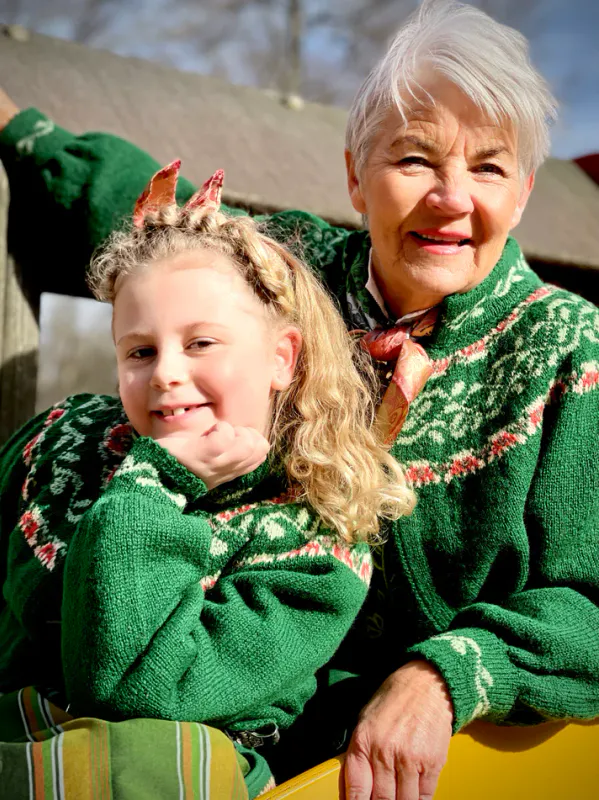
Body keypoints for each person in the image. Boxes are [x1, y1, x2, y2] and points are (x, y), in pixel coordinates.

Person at [1, 0, 598, 798]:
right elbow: (159, 240)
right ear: (356, 173)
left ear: (522, 192)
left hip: (447, 761)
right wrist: (20, 130)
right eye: (414, 159)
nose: (451, 198)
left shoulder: (568, 347)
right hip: (227, 707)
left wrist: (447, 673)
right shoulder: (287, 275)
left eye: (487, 168)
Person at [0, 163, 415, 799]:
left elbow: (131, 691)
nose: (165, 373)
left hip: (170, 776)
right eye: (139, 351)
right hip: (13, 744)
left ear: (282, 357)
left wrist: (153, 489)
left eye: (200, 343)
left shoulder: (314, 540)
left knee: (150, 753)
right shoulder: (64, 439)